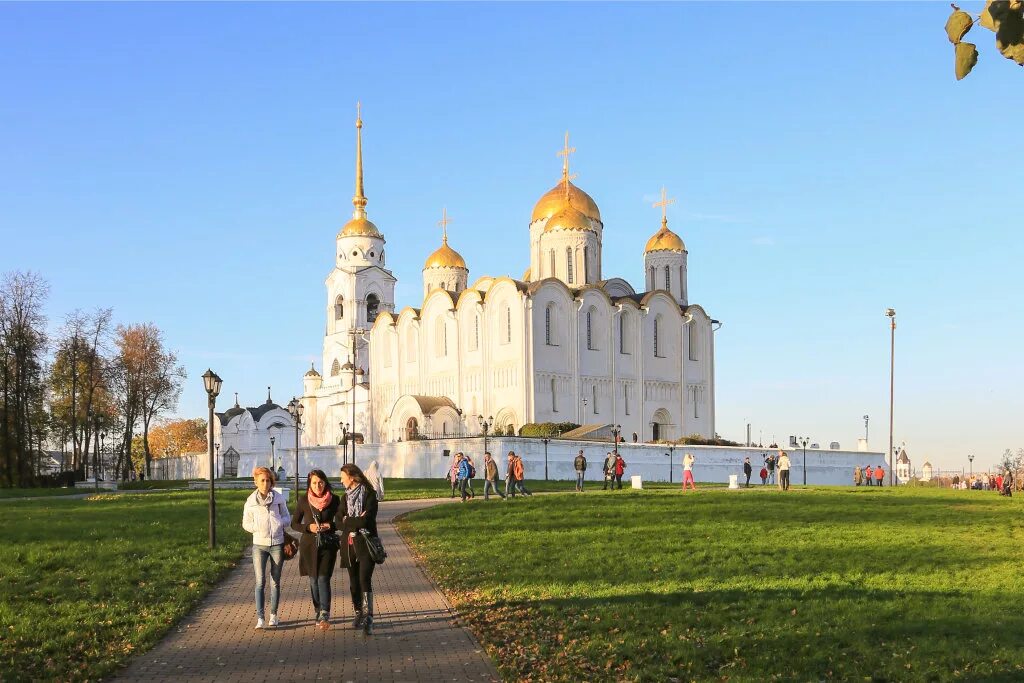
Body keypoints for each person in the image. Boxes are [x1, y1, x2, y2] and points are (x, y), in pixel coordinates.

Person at [242, 466, 292, 629]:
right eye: (262, 480)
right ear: (255, 482)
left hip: (277, 543)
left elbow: (287, 517)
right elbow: (246, 523)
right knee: (260, 582)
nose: (265, 483)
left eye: (268, 480)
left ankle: (273, 615)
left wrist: (279, 525)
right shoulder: (250, 502)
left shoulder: (278, 499)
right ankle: (260, 617)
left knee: (275, 581)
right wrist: (257, 528)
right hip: (259, 545)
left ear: (272, 482)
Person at [291, 468, 341, 630]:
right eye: (314, 483)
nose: (318, 486)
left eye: (320, 482)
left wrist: (330, 525)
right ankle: (318, 609)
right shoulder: (303, 500)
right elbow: (294, 524)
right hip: (309, 546)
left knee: (323, 578)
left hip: (328, 545)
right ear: (309, 484)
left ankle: (325, 613)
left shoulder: (335, 500)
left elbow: (341, 522)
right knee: (313, 580)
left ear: (325, 483)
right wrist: (308, 527)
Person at [338, 463, 380, 635]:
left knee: (364, 579)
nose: (341, 481)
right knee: (354, 582)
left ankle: (368, 616)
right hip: (349, 545)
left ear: (352, 477)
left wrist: (349, 521)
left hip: (366, 543)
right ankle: (358, 611)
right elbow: (338, 522)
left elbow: (367, 521)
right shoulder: (344, 498)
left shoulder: (370, 495)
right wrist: (350, 521)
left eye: (343, 477)